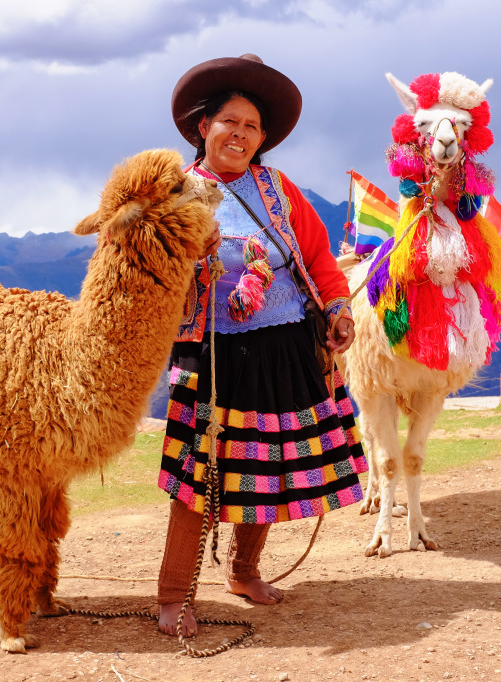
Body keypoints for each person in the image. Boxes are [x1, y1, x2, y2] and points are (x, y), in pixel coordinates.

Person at [156, 54, 369, 637]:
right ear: (204, 127)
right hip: (216, 353)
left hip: (285, 345)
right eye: (230, 122)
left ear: (262, 138)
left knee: (267, 467)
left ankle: (244, 571)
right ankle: (174, 595)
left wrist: (337, 309)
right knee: (198, 476)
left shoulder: (277, 188)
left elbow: (318, 258)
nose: (240, 135)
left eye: (251, 127)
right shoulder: (178, 192)